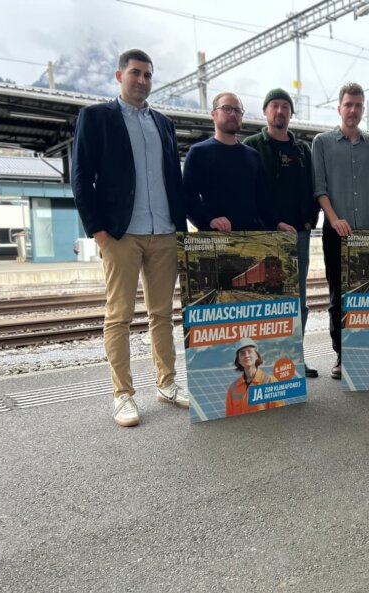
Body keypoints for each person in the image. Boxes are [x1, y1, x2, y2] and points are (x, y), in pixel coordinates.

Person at [71, 49, 188, 428]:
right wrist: (98, 232)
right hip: (120, 234)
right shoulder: (96, 117)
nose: (142, 80)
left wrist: (180, 230)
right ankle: (122, 395)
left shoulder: (163, 123)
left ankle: (166, 384)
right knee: (119, 316)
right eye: (135, 73)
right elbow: (80, 177)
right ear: (119, 75)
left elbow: (173, 178)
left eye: (148, 75)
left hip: (164, 231)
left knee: (162, 315)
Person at [312, 82, 369, 379]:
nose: (353, 110)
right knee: (338, 297)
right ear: (339, 108)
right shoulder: (322, 142)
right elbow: (319, 189)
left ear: (363, 109)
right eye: (348, 105)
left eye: (358, 105)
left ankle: (366, 352)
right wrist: (334, 219)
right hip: (337, 234)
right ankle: (341, 355)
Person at [242, 89, 320, 378]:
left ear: (291, 113)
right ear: (265, 111)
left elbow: (314, 186)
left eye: (285, 106)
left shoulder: (303, 150)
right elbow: (250, 190)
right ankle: (264, 361)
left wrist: (310, 220)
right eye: (274, 105)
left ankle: (294, 358)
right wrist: (270, 223)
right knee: (264, 300)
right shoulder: (252, 146)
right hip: (264, 235)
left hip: (299, 234)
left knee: (298, 300)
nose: (280, 111)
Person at [182, 91, 295, 233]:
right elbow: (187, 197)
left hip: (251, 237)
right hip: (216, 236)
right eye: (226, 108)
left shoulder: (252, 156)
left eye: (237, 110)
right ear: (213, 114)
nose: (233, 114)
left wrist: (277, 223)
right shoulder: (199, 152)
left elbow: (262, 200)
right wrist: (208, 220)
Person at [226, 338, 283, 416]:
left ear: (256, 356)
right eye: (242, 353)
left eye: (249, 352)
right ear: (238, 360)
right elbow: (229, 418)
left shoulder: (270, 381)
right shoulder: (232, 389)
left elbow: (278, 414)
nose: (246, 355)